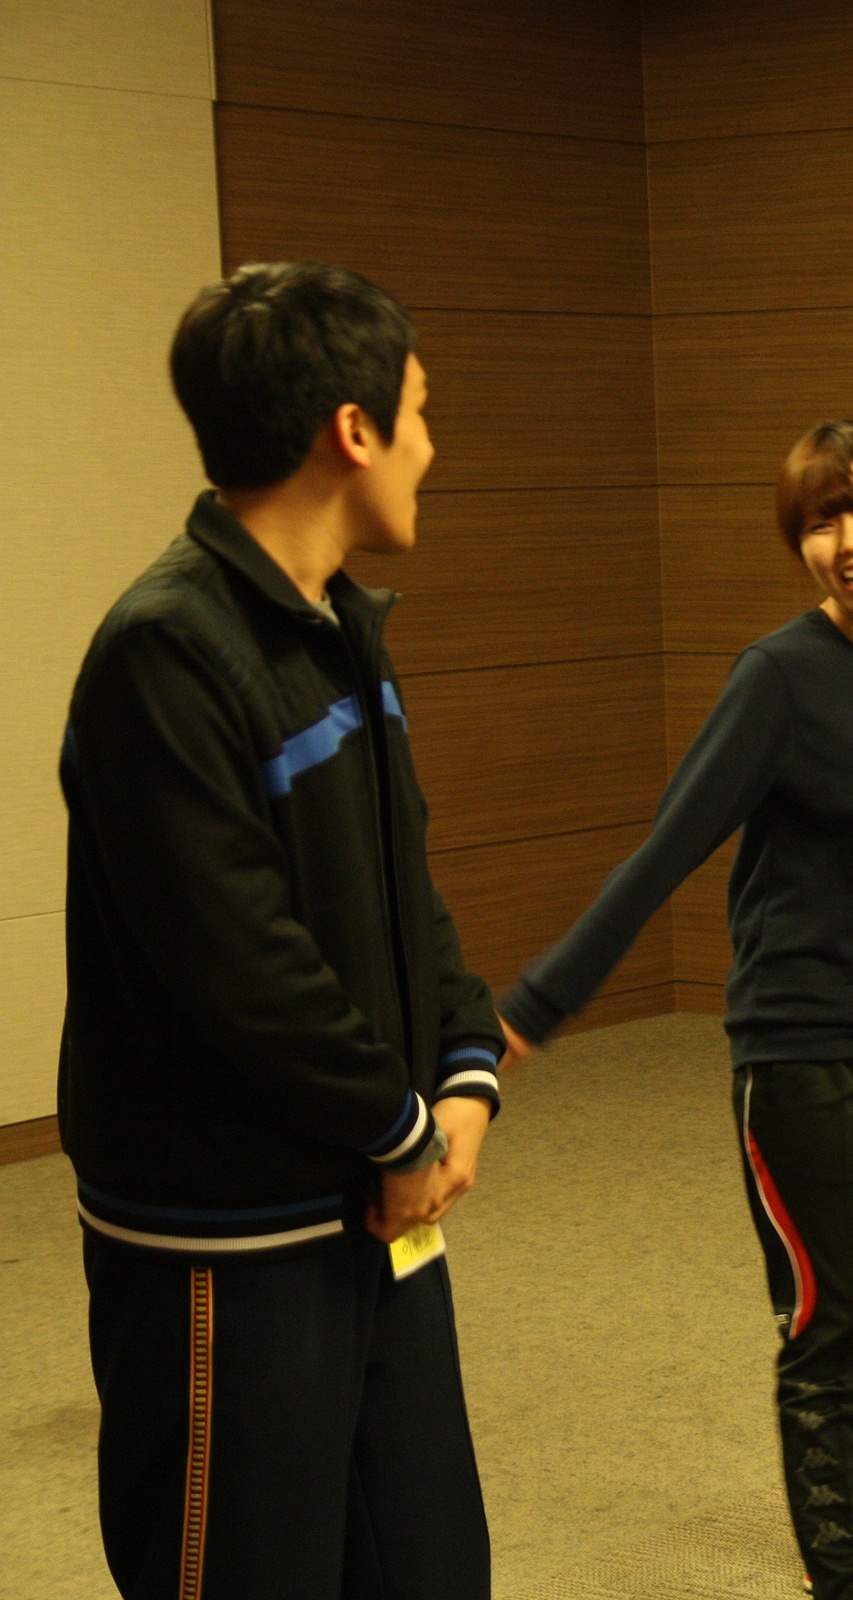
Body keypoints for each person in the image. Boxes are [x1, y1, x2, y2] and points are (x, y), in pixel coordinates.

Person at [59, 261, 508, 1597]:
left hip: (376, 1212)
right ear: (351, 431)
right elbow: (239, 963)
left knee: (426, 1566)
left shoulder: (339, 627)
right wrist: (404, 1129)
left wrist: (464, 1066)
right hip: (232, 1241)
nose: (432, 443)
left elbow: (402, 881)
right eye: (419, 410)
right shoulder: (165, 652)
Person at [495, 421, 853, 1600]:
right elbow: (667, 850)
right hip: (803, 1047)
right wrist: (534, 1006)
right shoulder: (777, 677)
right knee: (828, 1321)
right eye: (821, 519)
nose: (849, 539)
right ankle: (837, 1579)